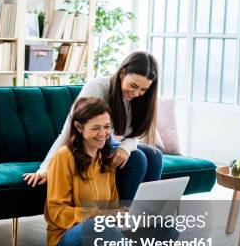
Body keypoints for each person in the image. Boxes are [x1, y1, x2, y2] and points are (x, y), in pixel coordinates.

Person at [45, 97, 187, 246]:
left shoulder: (105, 158)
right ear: (79, 127)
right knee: (97, 229)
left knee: (167, 227)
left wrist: (126, 214)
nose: (103, 133)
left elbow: (112, 205)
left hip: (104, 230)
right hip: (67, 236)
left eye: (107, 127)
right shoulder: (64, 157)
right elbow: (55, 213)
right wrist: (100, 215)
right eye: (95, 128)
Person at [24, 51, 163, 203]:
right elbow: (68, 131)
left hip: (104, 144)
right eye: (133, 86)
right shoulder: (97, 88)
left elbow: (135, 132)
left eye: (143, 90)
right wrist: (45, 169)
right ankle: (120, 219)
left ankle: (147, 217)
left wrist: (126, 147)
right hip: (84, 146)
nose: (137, 93)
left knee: (154, 155)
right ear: (123, 73)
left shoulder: (139, 99)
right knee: (137, 159)